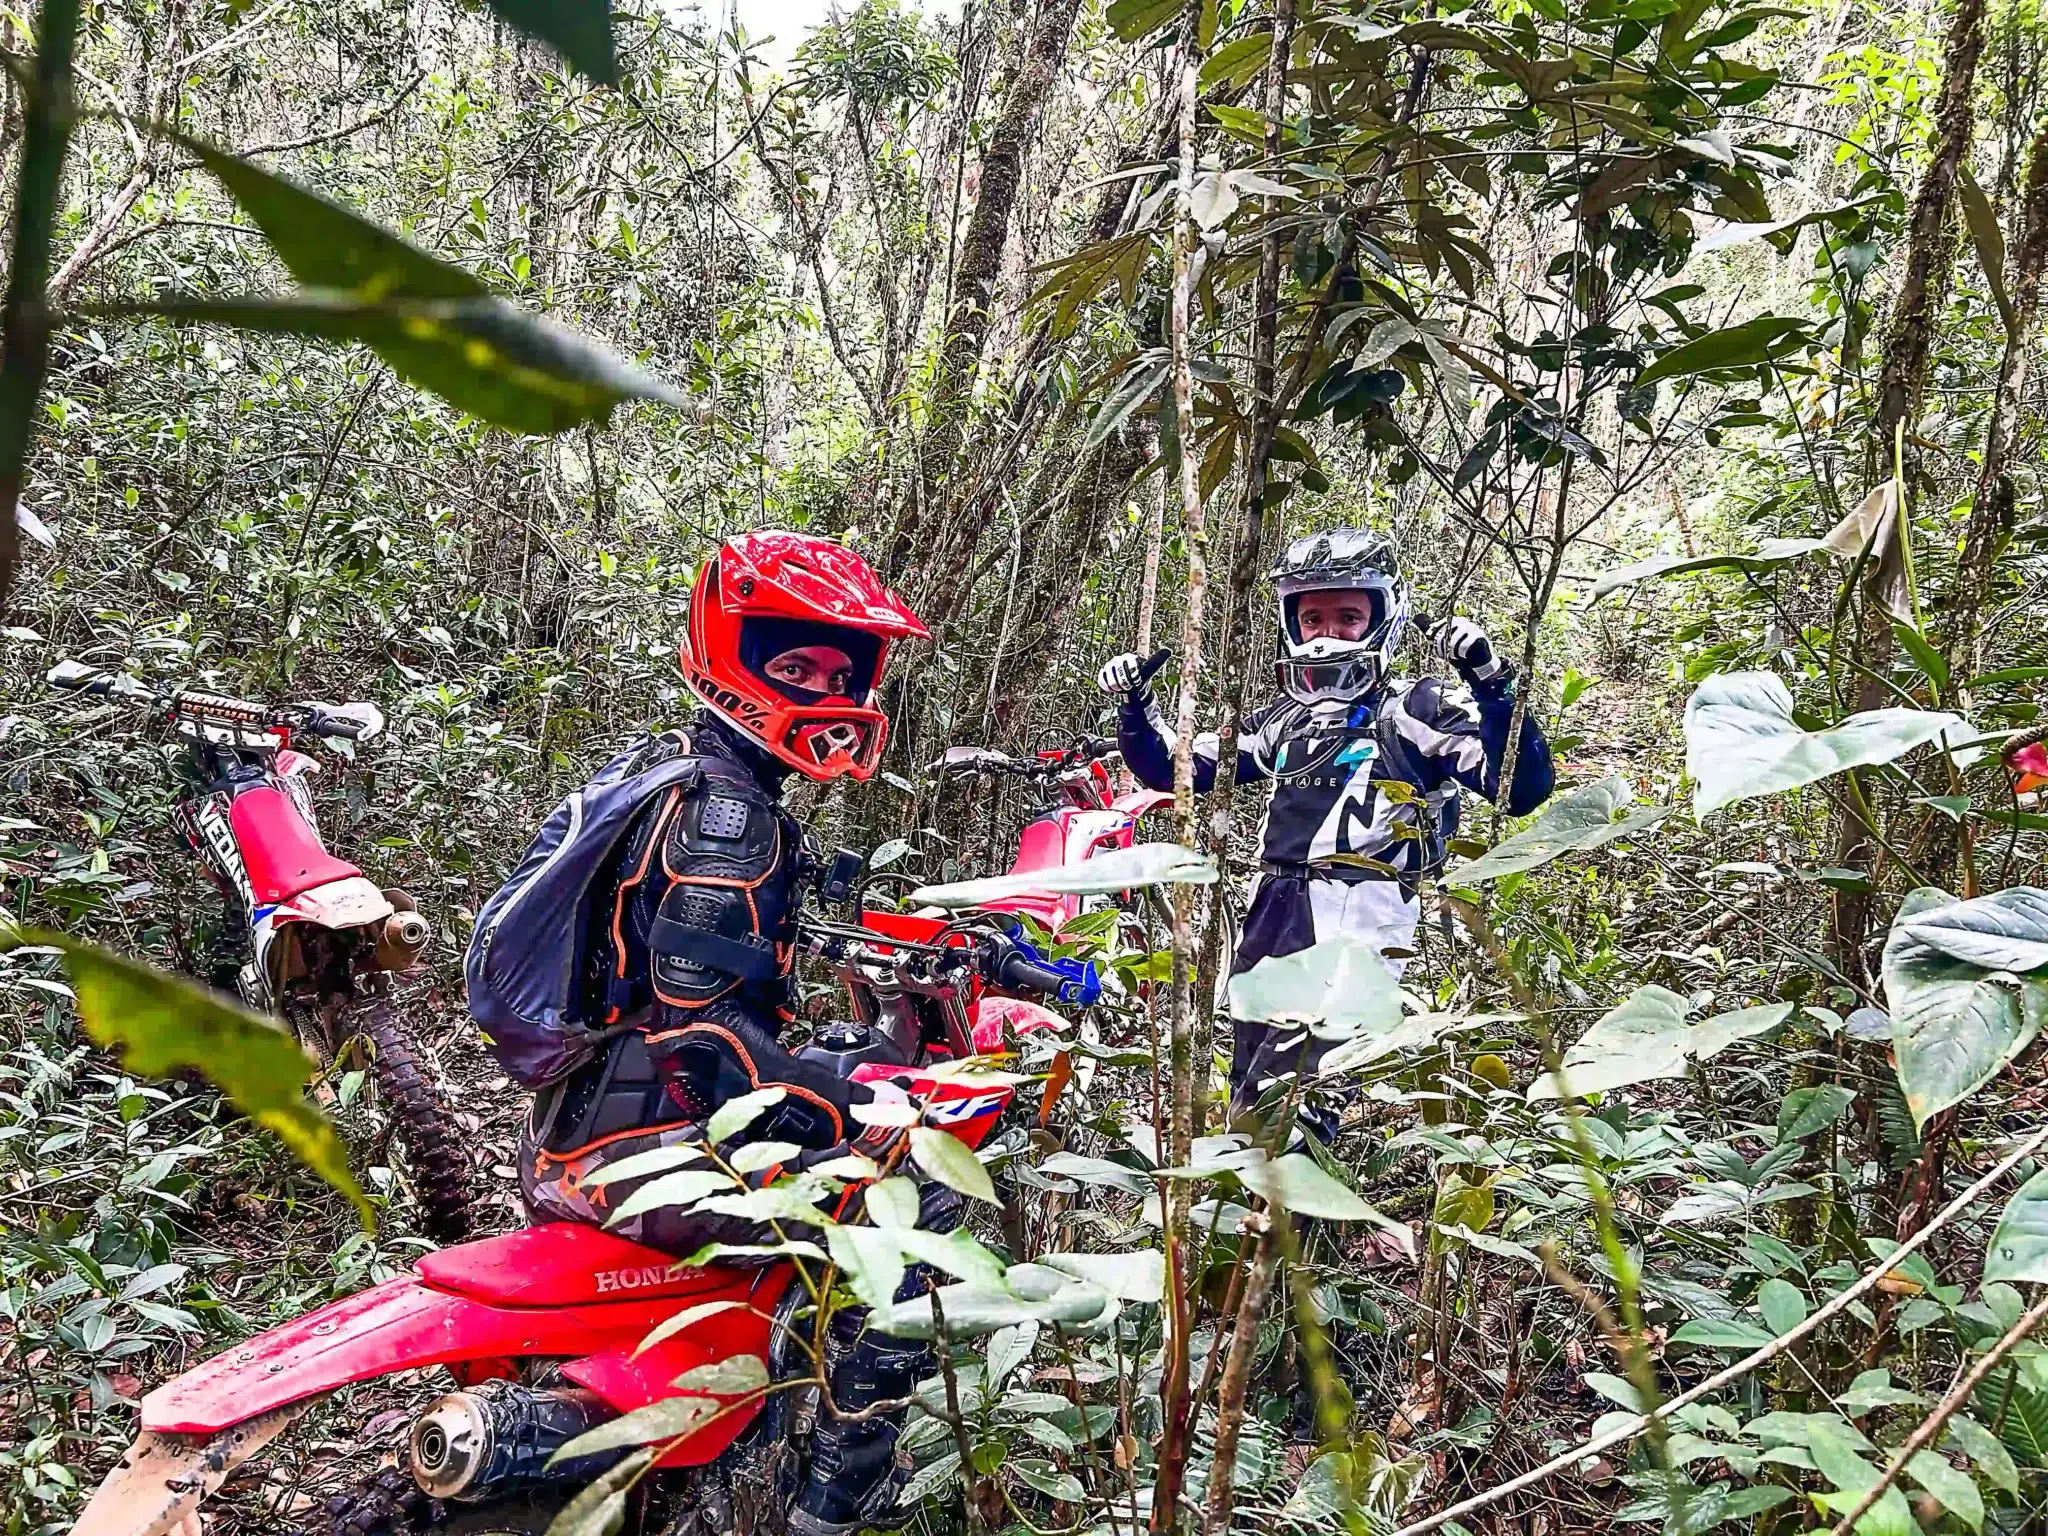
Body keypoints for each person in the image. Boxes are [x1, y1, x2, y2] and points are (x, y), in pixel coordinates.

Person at [513, 530, 941, 1536]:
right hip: (645, 1153)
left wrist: (826, 1073)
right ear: (732, 658)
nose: (825, 690)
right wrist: (852, 1110)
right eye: (794, 666)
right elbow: (701, 1040)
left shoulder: (676, 776)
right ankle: (838, 1499)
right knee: (923, 1209)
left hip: (582, 1125)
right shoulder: (726, 819)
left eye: (840, 669)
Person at [1097, 529, 1555, 1131]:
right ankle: (1252, 1212)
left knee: (1308, 1087)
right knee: (1249, 1073)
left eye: (1347, 616)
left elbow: (1517, 789)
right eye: (1311, 617)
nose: (1327, 633)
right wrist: (1135, 707)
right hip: (1275, 899)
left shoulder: (1416, 710)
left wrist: (1492, 686)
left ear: (1384, 617)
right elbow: (1178, 769)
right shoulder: (1283, 719)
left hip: (1365, 902)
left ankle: (1298, 1213)